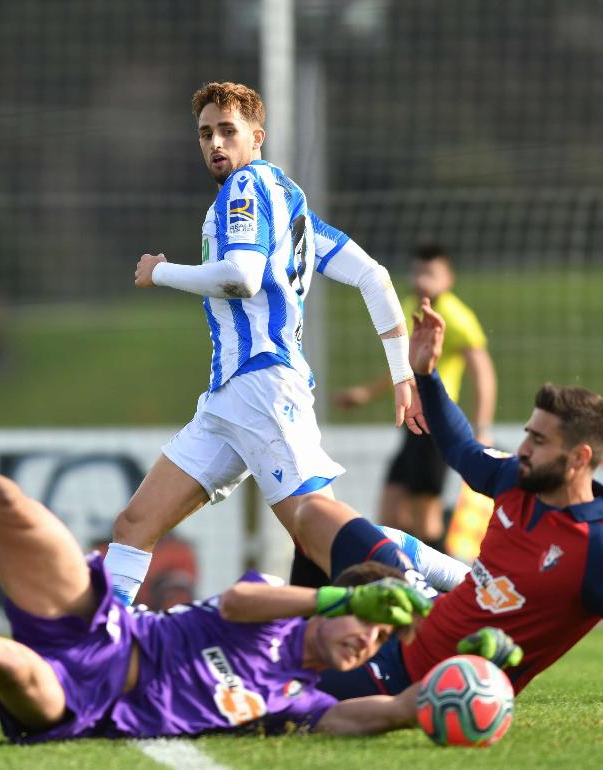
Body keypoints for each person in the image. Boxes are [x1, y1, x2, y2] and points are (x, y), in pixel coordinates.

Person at [0, 312, 435, 742]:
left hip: (84, 704)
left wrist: (422, 705)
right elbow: (238, 600)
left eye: (379, 635)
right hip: (103, 629)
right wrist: (341, 597)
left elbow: (356, 715)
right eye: (369, 622)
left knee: (3, 665)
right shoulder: (278, 613)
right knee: (7, 504)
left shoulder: (294, 696)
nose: (369, 640)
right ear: (340, 605)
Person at [299, 299, 603, 728]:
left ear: (578, 458)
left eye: (538, 439)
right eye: (528, 434)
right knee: (316, 512)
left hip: (423, 674)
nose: (524, 447)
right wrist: (426, 376)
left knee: (273, 698)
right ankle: (294, 616)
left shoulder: (600, 552)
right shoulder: (517, 478)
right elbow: (462, 448)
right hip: (424, 611)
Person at [118, 81, 422, 604]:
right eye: (205, 133)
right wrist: (400, 372)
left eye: (227, 131)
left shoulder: (246, 188)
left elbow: (242, 276)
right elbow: (375, 276)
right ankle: (103, 652)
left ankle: (453, 591)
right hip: (227, 400)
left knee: (321, 534)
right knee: (134, 523)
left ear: (257, 137)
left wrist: (162, 273)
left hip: (263, 385)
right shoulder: (290, 202)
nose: (215, 143)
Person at [335, 243, 496, 550]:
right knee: (390, 513)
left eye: (431, 273)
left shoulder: (455, 317)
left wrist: (482, 427)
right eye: (418, 271)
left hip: (434, 424)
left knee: (426, 520)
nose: (423, 279)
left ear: (449, 279)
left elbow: (483, 372)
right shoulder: (409, 305)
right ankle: (399, 583)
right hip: (414, 425)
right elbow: (405, 367)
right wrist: (365, 394)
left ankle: (445, 591)